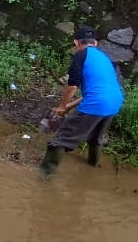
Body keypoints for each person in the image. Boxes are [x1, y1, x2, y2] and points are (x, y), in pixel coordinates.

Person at [39, 25, 124, 176]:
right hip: (114, 102)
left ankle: (43, 176)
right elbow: (95, 91)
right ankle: (92, 168)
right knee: (96, 138)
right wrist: (69, 106)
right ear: (95, 43)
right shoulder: (104, 58)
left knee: (61, 141)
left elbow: (72, 86)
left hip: (98, 102)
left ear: (76, 43)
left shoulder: (81, 55)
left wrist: (61, 107)